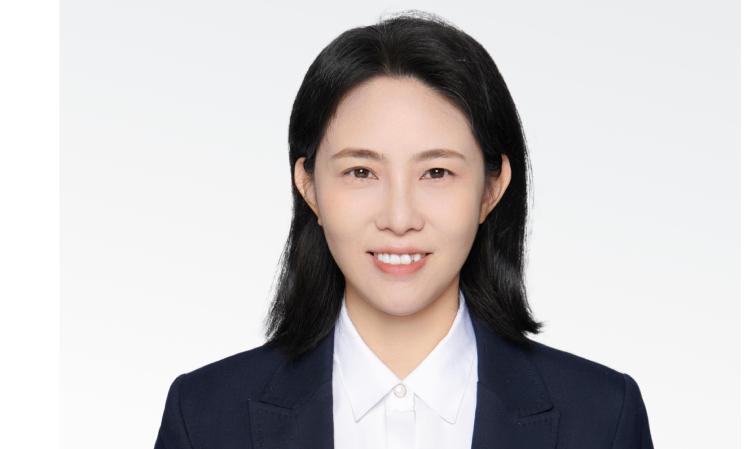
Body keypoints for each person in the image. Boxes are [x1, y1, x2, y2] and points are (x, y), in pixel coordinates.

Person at [154, 11, 654, 449]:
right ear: (309, 186)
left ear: (491, 188)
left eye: (436, 172)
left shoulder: (602, 417)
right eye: (361, 172)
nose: (399, 218)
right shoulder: (204, 416)